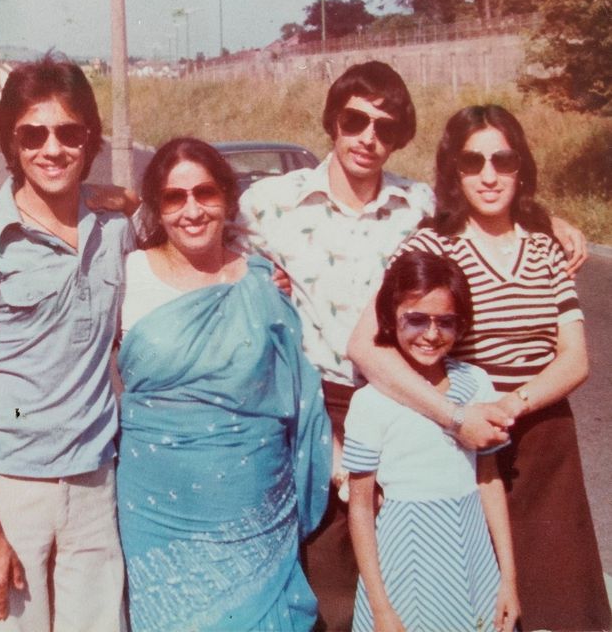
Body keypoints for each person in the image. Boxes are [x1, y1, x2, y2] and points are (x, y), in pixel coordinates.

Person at [233, 61, 586, 630]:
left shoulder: (419, 207)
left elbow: (487, 204)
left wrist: (553, 220)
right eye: (355, 120)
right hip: (317, 405)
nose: (368, 138)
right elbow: (193, 223)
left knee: (411, 567)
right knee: (328, 580)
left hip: (404, 402)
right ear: (332, 122)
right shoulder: (268, 203)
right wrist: (119, 200)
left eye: (386, 126)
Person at [348, 104, 611, 631]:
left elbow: (575, 358)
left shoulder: (545, 249)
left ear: (521, 168)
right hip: (463, 451)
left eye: (502, 160)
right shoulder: (431, 244)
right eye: (473, 162)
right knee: (476, 608)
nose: (489, 175)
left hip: (544, 448)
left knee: (559, 611)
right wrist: (454, 416)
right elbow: (364, 346)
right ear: (453, 171)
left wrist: (510, 404)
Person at [0, 55, 132, 631]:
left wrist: (126, 197)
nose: (52, 148)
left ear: (90, 138)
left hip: (96, 490)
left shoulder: (115, 230)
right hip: (8, 491)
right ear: (11, 142)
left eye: (69, 132)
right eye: (33, 134)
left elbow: (181, 225)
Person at [116, 137, 331, 631]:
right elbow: (67, 357)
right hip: (158, 513)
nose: (192, 210)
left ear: (226, 198)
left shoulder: (259, 282)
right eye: (174, 197)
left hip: (252, 506)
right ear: (156, 205)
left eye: (204, 193)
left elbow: (295, 389)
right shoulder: (127, 276)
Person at [344, 251, 519, 632]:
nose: (431, 334)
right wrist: (381, 608)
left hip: (474, 560)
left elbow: (489, 480)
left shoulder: (476, 384)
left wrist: (508, 579)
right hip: (406, 563)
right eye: (416, 319)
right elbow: (360, 508)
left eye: (446, 322)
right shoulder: (372, 400)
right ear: (391, 318)